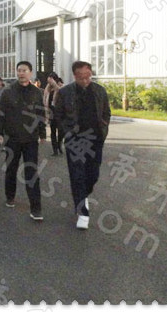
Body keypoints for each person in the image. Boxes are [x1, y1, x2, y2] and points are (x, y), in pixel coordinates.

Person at [55, 61, 111, 230]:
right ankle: (82, 212)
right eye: (81, 78)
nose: (85, 81)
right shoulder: (65, 92)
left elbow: (106, 113)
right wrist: (68, 132)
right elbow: (58, 116)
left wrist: (103, 129)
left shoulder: (100, 91)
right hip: (75, 140)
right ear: (74, 76)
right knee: (77, 175)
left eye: (88, 77)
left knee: (93, 174)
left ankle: (82, 195)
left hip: (95, 139)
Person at [0, 61, 46, 221]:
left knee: (32, 172)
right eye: (19, 70)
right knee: (11, 169)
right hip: (12, 138)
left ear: (30, 73)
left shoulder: (37, 92)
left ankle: (36, 208)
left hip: (30, 139)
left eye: (24, 70)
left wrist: (42, 133)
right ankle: (10, 196)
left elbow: (40, 114)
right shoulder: (8, 91)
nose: (21, 73)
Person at [43, 72, 64, 156]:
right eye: (48, 81)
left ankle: (59, 144)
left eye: (50, 81)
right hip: (51, 112)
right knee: (53, 131)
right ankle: (55, 149)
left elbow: (62, 92)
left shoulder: (60, 86)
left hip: (60, 113)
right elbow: (45, 98)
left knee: (61, 131)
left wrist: (55, 85)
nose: (49, 83)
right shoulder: (48, 88)